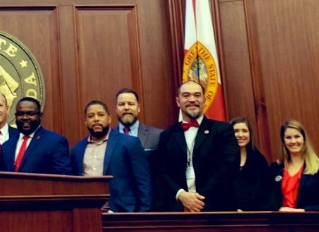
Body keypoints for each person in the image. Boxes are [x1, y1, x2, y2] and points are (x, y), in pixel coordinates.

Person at [152, 81, 237, 212]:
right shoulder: (166, 135)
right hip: (179, 210)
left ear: (204, 99)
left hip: (216, 209)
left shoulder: (223, 130)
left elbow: (228, 165)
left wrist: (197, 199)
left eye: (197, 95)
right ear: (178, 101)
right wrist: (182, 195)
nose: (192, 99)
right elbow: (162, 171)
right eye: (186, 95)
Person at [71, 101, 153, 212]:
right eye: (91, 116)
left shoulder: (129, 143)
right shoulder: (77, 150)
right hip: (87, 213)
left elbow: (143, 183)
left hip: (122, 213)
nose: (96, 119)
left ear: (109, 119)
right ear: (85, 122)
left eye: (100, 115)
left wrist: (143, 217)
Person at [268, 119, 319, 211]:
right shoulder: (275, 167)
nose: (293, 141)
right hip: (280, 223)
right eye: (288, 137)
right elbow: (267, 201)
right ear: (283, 141)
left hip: (306, 222)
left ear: (304, 139)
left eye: (297, 136)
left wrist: (303, 211)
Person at [0, 97, 73, 175]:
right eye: (20, 114)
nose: (25, 117)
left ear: (40, 115)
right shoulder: (6, 146)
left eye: (30, 114)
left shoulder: (55, 142)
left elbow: (63, 178)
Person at [229, 117, 270, 211]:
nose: (240, 135)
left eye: (244, 131)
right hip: (227, 214)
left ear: (250, 134)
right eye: (236, 131)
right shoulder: (220, 159)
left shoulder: (259, 160)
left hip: (253, 215)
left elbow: (265, 190)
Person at [115, 88, 163, 152]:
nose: (126, 108)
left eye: (131, 104)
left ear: (138, 108)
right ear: (116, 109)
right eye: (122, 104)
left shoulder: (157, 135)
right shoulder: (108, 137)